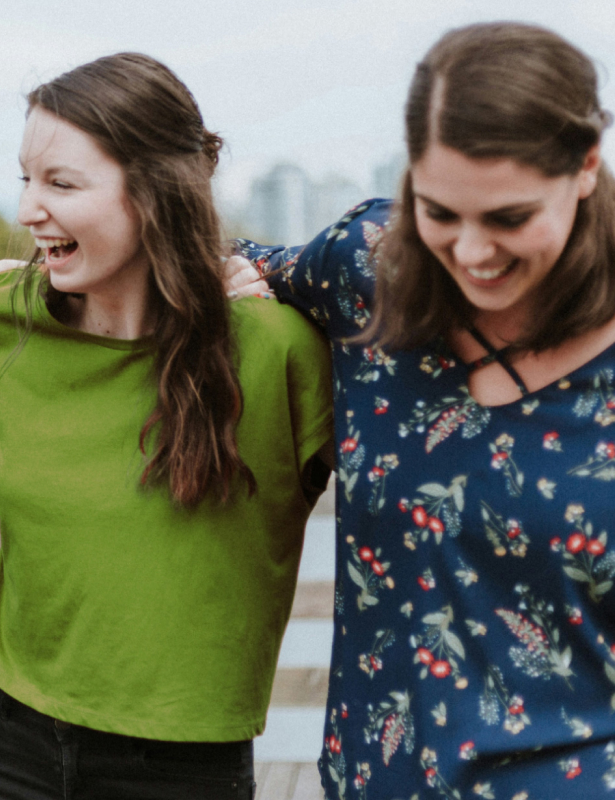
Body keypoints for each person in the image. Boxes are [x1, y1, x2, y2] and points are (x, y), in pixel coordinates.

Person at [0, 53, 334, 799]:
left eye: (61, 184)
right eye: (25, 179)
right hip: (12, 739)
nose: (27, 211)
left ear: (155, 194)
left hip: (184, 764)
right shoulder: (5, 322)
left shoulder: (277, 350)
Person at [221, 22, 615, 797]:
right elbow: (215, 264)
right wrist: (22, 288)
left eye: (507, 218)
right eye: (440, 213)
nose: (470, 252)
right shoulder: (367, 267)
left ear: (585, 170)